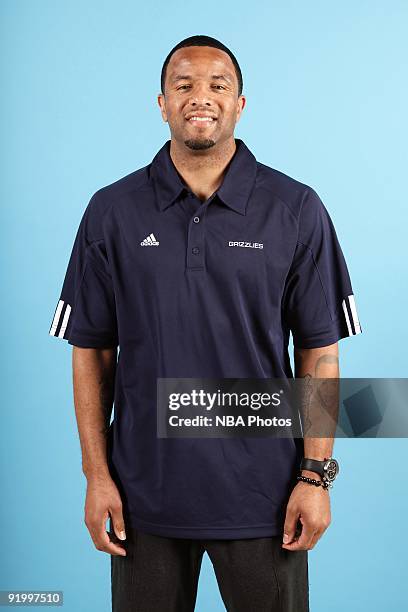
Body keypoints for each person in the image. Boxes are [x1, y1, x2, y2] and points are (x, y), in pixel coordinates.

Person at [49, 34, 362, 612]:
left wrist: (316, 478)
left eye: (219, 85)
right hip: (143, 498)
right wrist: (97, 476)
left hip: (265, 496)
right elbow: (91, 352)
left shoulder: (295, 208)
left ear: (240, 103)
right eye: (184, 85)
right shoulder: (111, 211)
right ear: (162, 102)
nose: (201, 97)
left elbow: (320, 353)